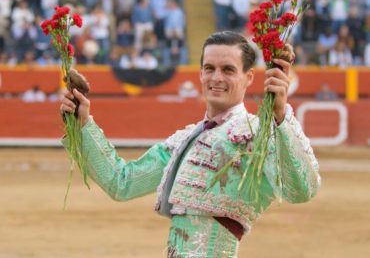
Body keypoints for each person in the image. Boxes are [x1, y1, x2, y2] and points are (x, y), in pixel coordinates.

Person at [60, 31, 320, 257]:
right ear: (200, 74)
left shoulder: (257, 134)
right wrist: (82, 125)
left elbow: (301, 190)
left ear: (249, 77)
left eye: (228, 70)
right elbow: (122, 183)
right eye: (209, 68)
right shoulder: (184, 141)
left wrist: (280, 115)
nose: (216, 77)